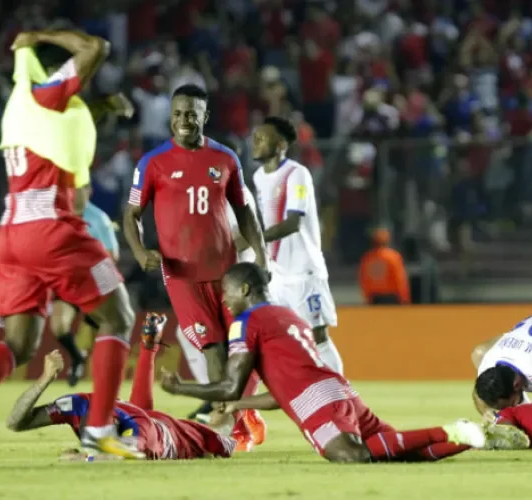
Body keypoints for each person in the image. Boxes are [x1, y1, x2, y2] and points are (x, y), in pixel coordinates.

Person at [0, 29, 144, 474]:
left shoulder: (21, 106)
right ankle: (100, 431)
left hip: (12, 234)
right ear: (55, 69)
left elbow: (61, 125)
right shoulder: (46, 92)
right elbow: (96, 48)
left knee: (19, 343)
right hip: (53, 229)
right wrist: (38, 36)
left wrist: (105, 108)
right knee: (119, 316)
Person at [160, 262, 529, 463]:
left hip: (316, 400)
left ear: (243, 290)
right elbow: (278, 395)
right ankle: (475, 439)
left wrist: (180, 388)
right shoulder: (288, 316)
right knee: (397, 452)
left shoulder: (246, 322)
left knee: (348, 455)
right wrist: (240, 405)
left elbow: (229, 384)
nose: (224, 301)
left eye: (226, 292)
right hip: (337, 389)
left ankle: (452, 430)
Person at [122, 84, 269, 451]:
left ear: (205, 116)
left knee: (247, 349)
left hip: (227, 274)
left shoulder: (225, 158)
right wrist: (140, 252)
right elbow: (132, 215)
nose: (183, 120)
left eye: (191, 114)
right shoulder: (152, 162)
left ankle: (237, 415)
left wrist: (262, 257)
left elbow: (245, 213)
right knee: (214, 350)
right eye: (177, 114)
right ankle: (227, 431)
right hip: (182, 278)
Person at [6, 314, 239, 460]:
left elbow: (125, 456)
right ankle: (149, 347)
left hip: (182, 435)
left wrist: (83, 459)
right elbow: (15, 422)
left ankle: (243, 411)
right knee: (140, 411)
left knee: (224, 429)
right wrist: (44, 379)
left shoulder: (139, 432)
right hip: (145, 417)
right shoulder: (78, 405)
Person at [175, 137, 261, 423]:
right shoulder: (205, 194)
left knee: (238, 342)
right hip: (216, 279)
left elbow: (244, 234)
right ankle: (217, 396)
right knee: (191, 335)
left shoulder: (238, 194)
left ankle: (236, 407)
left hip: (238, 279)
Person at [251, 116, 345, 375]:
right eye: (255, 136)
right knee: (274, 337)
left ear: (281, 144)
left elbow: (292, 222)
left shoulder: (297, 173)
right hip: (276, 272)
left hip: (304, 270)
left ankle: (342, 396)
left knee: (318, 335)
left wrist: (253, 239)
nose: (255, 140)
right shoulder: (258, 177)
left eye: (263, 136)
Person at [49, 183, 122, 387]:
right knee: (58, 327)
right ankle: (78, 357)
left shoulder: (98, 218)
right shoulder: (59, 216)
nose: (74, 192)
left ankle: (93, 367)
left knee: (99, 322)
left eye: (79, 188)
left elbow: (112, 255)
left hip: (95, 281)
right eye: (71, 188)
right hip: (69, 281)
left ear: (89, 191)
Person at [358, 228, 411, 305]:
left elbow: (363, 279)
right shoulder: (393, 256)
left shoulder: (367, 258)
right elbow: (400, 278)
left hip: (374, 297)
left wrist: (367, 296)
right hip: (391, 297)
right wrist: (404, 297)